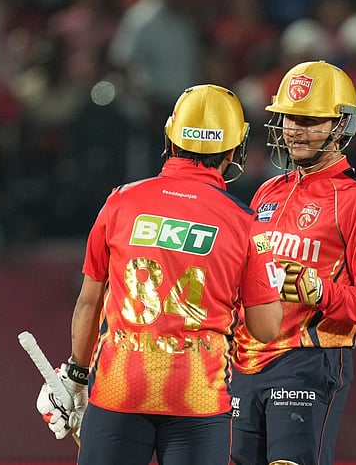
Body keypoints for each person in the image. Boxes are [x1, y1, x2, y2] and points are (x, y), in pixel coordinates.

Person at [36, 84, 283, 464]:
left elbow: (89, 301)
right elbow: (266, 329)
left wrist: (76, 374)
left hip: (119, 390)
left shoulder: (120, 201)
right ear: (235, 149)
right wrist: (273, 284)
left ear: (170, 137)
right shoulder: (246, 224)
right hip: (197, 398)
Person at [230, 60, 356, 465]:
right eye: (288, 117)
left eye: (309, 120)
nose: (293, 130)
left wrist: (321, 290)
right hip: (243, 361)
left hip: (308, 361)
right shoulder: (267, 192)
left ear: (341, 126)